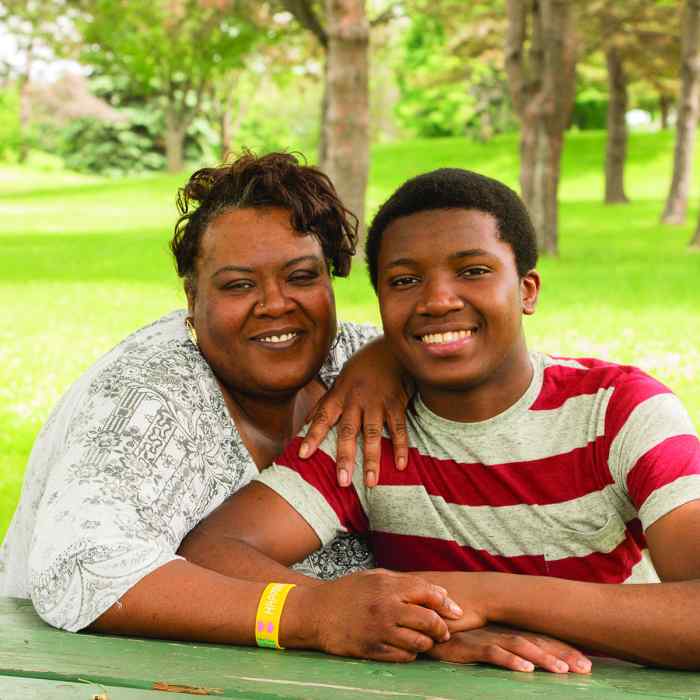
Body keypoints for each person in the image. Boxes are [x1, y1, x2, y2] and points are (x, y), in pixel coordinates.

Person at [180, 168, 700, 672]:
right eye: (405, 280)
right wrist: (389, 618)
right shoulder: (369, 432)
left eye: (473, 271)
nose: (437, 300)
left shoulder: (619, 412)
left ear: (527, 290)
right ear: (381, 304)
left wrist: (489, 596)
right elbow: (214, 550)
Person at [0, 152, 467, 659]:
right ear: (191, 298)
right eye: (238, 284)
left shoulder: (352, 364)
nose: (274, 303)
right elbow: (79, 569)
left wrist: (389, 355)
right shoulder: (147, 396)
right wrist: (310, 616)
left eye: (301, 277)